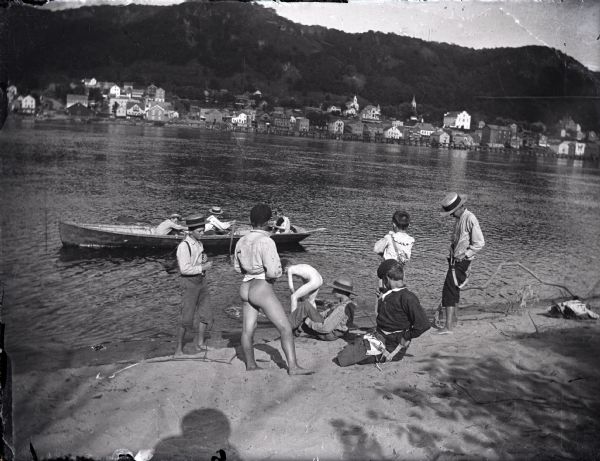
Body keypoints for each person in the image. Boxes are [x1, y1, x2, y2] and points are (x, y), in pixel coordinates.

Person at [233, 204, 312, 375]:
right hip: (261, 287)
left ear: (251, 221)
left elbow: (237, 269)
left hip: (245, 285)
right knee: (285, 328)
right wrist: (279, 270)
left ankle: (251, 365)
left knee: (247, 330)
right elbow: (272, 271)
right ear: (268, 221)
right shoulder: (266, 241)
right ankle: (293, 367)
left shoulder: (241, 240)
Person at [436, 192, 485, 334]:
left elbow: (480, 242)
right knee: (454, 290)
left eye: (452, 212)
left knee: (449, 291)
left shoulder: (470, 218)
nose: (451, 215)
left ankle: (448, 327)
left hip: (462, 261)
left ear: (459, 208)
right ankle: (454, 321)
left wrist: (466, 254)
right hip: (455, 261)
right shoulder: (461, 218)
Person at [374, 259, 430, 360]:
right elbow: (383, 315)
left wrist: (406, 337)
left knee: (346, 356)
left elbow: (424, 325)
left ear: (386, 278)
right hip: (383, 337)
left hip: (394, 345)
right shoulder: (390, 295)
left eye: (382, 279)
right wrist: (381, 298)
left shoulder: (408, 297)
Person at [174, 215, 213, 356]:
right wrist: (203, 267)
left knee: (205, 314)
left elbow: (197, 260)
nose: (202, 233)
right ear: (191, 231)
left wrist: (203, 259)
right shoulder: (183, 247)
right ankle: (179, 349)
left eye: (203, 230)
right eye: (200, 231)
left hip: (201, 281)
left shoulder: (199, 243)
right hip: (189, 283)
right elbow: (184, 269)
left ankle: (200, 343)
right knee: (186, 318)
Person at [290, 276, 357, 341]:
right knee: (306, 306)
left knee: (302, 316)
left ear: (342, 291)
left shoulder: (341, 308)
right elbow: (326, 313)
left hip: (330, 335)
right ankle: (291, 328)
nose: (332, 292)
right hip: (333, 331)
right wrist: (311, 315)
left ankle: (287, 328)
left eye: (335, 289)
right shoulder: (346, 303)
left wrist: (308, 322)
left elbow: (326, 328)